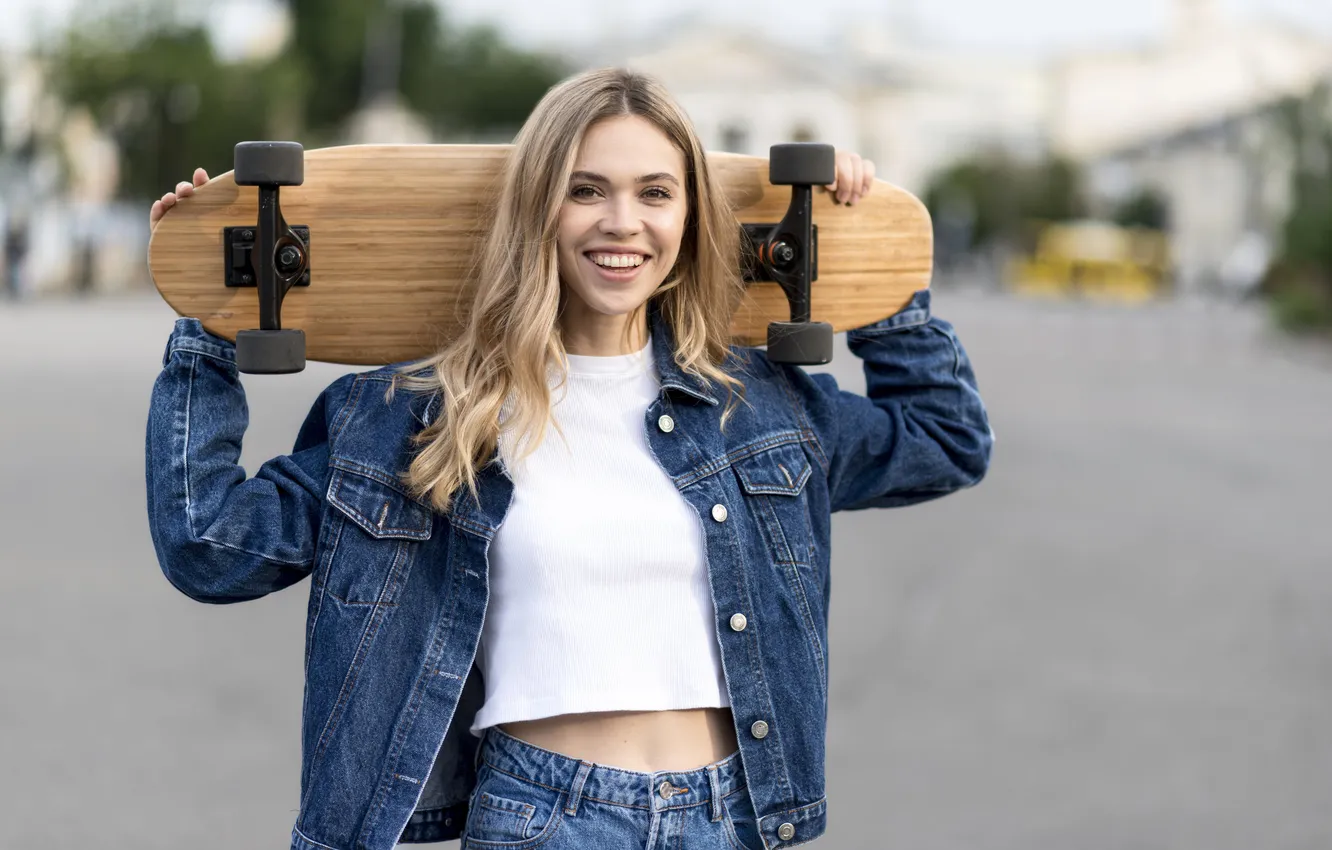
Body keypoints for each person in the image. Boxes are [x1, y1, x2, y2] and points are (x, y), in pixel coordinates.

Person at [146, 67, 992, 850]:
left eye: (654, 193)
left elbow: (945, 439)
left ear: (690, 217)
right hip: (544, 816)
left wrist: (871, 267)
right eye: (585, 191)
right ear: (537, 209)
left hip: (735, 815)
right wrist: (206, 320)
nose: (622, 222)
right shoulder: (413, 416)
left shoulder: (758, 405)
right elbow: (211, 544)